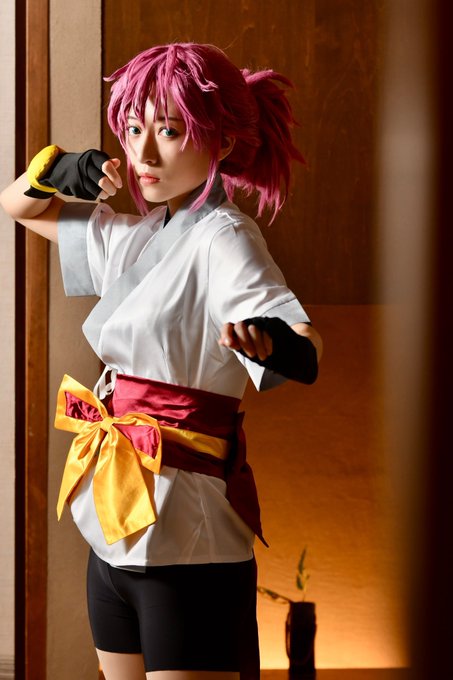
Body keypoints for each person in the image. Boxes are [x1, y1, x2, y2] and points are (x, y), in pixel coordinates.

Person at [0, 43, 322, 680]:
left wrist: (274, 342)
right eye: (133, 128)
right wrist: (57, 171)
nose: (143, 153)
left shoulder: (225, 236)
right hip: (112, 530)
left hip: (187, 539)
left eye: (169, 131)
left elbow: (303, 342)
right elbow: (20, 207)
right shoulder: (137, 237)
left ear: (221, 142)